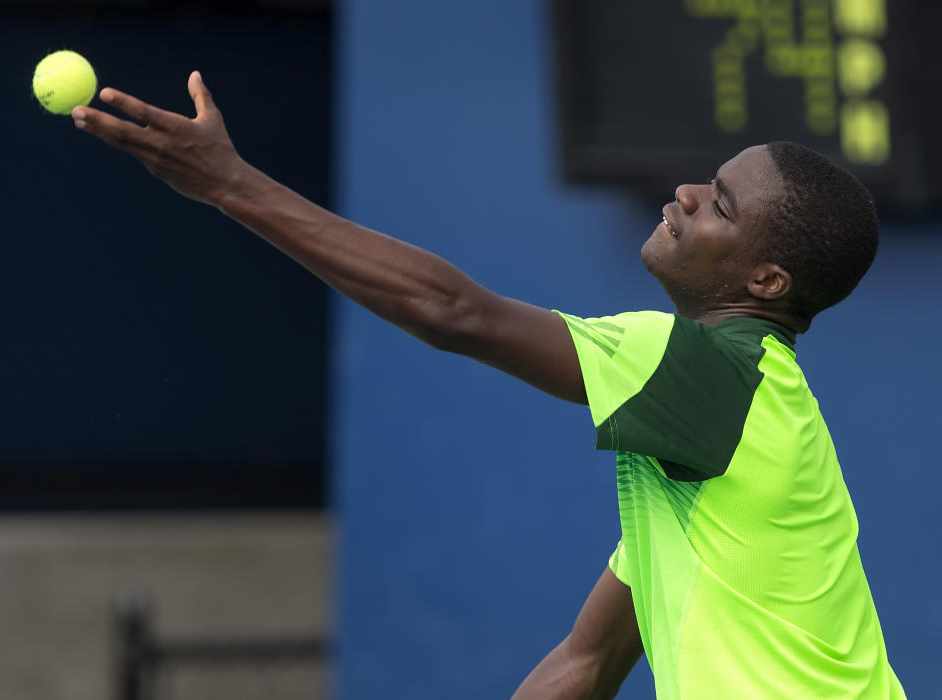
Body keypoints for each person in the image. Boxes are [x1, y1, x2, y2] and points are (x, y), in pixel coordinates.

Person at [71, 72, 905, 699]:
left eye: (720, 204)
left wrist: (228, 183)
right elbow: (586, 662)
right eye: (707, 181)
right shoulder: (705, 452)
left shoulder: (709, 376)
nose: (685, 194)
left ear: (764, 282)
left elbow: (452, 312)